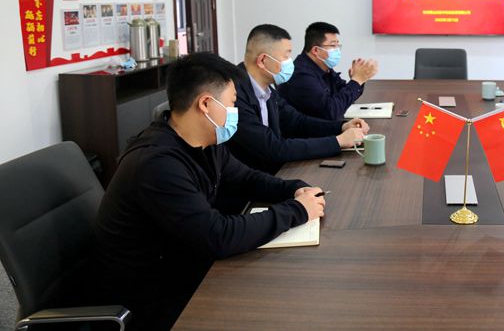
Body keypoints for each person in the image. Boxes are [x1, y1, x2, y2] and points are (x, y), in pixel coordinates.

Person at [92, 52, 326, 331]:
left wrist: (296, 189)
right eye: (232, 103)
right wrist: (297, 211)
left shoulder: (204, 142)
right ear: (205, 104)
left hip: (185, 265)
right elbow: (218, 236)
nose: (235, 112)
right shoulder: (157, 164)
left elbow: (247, 178)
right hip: (152, 299)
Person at [228, 24, 368, 175]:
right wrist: (338, 141)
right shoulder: (234, 95)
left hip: (272, 173)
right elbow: (273, 148)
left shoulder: (266, 89)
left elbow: (297, 122)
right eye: (285, 56)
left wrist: (341, 127)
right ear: (263, 60)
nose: (290, 62)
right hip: (250, 181)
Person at [278, 21, 378, 120]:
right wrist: (356, 81)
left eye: (338, 45)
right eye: (333, 46)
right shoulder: (301, 75)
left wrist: (358, 79)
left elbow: (344, 97)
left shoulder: (323, 67)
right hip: (308, 129)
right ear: (316, 50)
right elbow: (331, 112)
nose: (337, 50)